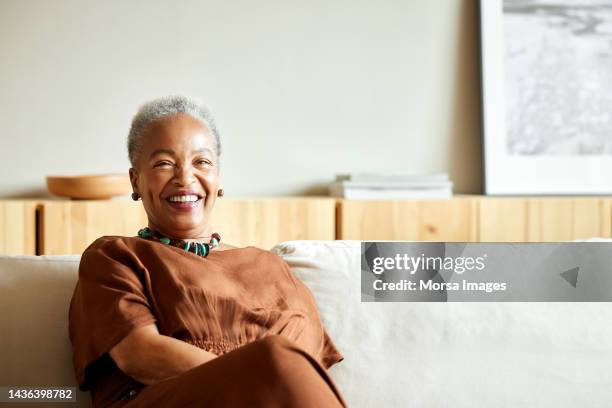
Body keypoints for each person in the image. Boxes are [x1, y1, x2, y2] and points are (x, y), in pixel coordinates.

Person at [68, 96, 346, 407]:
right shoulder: (114, 257)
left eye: (201, 162)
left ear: (218, 178)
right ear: (136, 180)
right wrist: (258, 374)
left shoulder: (272, 268)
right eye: (164, 163)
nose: (185, 178)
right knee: (275, 357)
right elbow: (140, 354)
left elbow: (308, 369)